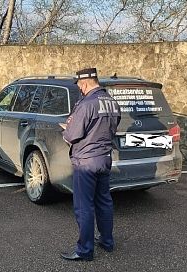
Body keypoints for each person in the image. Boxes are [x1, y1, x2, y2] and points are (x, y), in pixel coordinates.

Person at [60, 68, 121, 261]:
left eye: (79, 85)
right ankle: (107, 241)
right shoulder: (112, 102)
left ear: (84, 83)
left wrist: (66, 130)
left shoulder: (87, 104)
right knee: (104, 201)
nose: (79, 88)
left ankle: (84, 250)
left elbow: (72, 135)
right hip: (104, 158)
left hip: (86, 161)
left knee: (84, 206)